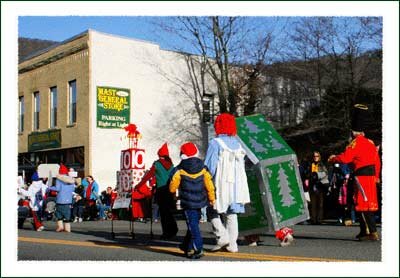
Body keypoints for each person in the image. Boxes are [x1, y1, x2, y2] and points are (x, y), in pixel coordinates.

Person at [328, 104, 381, 241]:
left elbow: (345, 158)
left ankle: (372, 232)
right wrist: (376, 176)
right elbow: (377, 161)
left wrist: (334, 159)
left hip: (361, 176)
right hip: (371, 175)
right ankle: (364, 231)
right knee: (367, 202)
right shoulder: (370, 143)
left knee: (362, 204)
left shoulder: (356, 143)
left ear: (353, 132)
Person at [204, 113, 251, 253]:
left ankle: (222, 235)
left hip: (221, 183)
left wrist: (205, 182)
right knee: (232, 214)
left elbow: (210, 167)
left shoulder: (215, 143)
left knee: (211, 210)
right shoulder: (238, 144)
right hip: (237, 185)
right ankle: (232, 244)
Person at [169, 142, 215, 259]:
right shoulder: (203, 168)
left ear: (182, 155)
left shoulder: (179, 169)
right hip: (200, 201)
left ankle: (198, 248)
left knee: (192, 225)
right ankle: (186, 246)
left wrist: (173, 192)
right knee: (193, 223)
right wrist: (212, 198)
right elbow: (209, 184)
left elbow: (172, 186)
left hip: (187, 201)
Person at [135, 143, 178, 239]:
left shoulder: (157, 164)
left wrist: (138, 185)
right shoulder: (171, 164)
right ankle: (173, 229)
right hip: (170, 190)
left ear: (159, 154)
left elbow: (148, 176)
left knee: (163, 213)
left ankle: (167, 233)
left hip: (161, 191)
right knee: (169, 212)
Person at [48, 164, 75, 232]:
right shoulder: (71, 180)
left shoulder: (59, 179)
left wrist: (50, 187)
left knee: (58, 213)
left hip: (61, 199)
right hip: (68, 200)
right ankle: (67, 228)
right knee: (67, 214)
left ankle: (60, 227)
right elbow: (73, 189)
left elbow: (57, 188)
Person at [306, 151, 329, 225]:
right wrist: (309, 176)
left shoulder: (322, 164)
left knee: (320, 204)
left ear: (319, 157)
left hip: (320, 185)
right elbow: (306, 173)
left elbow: (326, 173)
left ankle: (319, 220)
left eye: (317, 156)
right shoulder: (310, 164)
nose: (315, 158)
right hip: (312, 185)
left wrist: (317, 175)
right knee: (313, 204)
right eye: (314, 156)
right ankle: (313, 219)